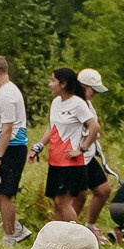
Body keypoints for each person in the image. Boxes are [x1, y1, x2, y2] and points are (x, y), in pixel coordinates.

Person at [42, 67, 105, 225]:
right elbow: (52, 128)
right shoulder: (57, 102)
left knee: (64, 201)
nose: (50, 84)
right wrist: (38, 146)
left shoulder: (80, 104)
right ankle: (58, 237)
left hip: (75, 159)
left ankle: (75, 235)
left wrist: (82, 149)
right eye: (93, 91)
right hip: (58, 158)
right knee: (61, 202)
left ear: (63, 84)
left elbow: (94, 127)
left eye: (52, 80)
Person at [0, 55, 31, 243]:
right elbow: (0, 127)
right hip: (3, 145)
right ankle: (17, 227)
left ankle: (10, 236)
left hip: (12, 148)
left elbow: (8, 128)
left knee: (4, 192)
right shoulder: (2, 92)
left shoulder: (8, 94)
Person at [75, 67, 119, 232]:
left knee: (103, 190)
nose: (95, 94)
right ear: (83, 86)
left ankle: (90, 227)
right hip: (76, 156)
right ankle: (65, 230)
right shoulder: (73, 103)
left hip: (87, 155)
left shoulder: (88, 104)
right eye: (93, 90)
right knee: (78, 197)